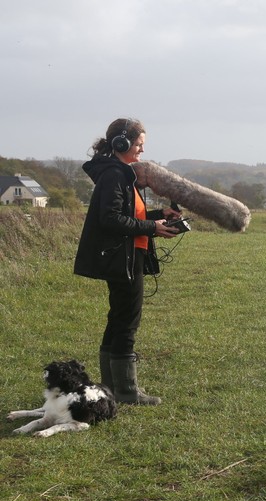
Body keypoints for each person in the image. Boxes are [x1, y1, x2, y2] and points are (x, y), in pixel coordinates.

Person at [73, 118, 181, 405]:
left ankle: (110, 388)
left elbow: (128, 214)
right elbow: (110, 219)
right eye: (139, 145)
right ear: (122, 143)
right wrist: (152, 228)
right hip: (123, 258)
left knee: (119, 319)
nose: (142, 152)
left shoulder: (118, 173)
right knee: (127, 322)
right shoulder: (115, 175)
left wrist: (159, 215)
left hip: (126, 255)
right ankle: (126, 391)